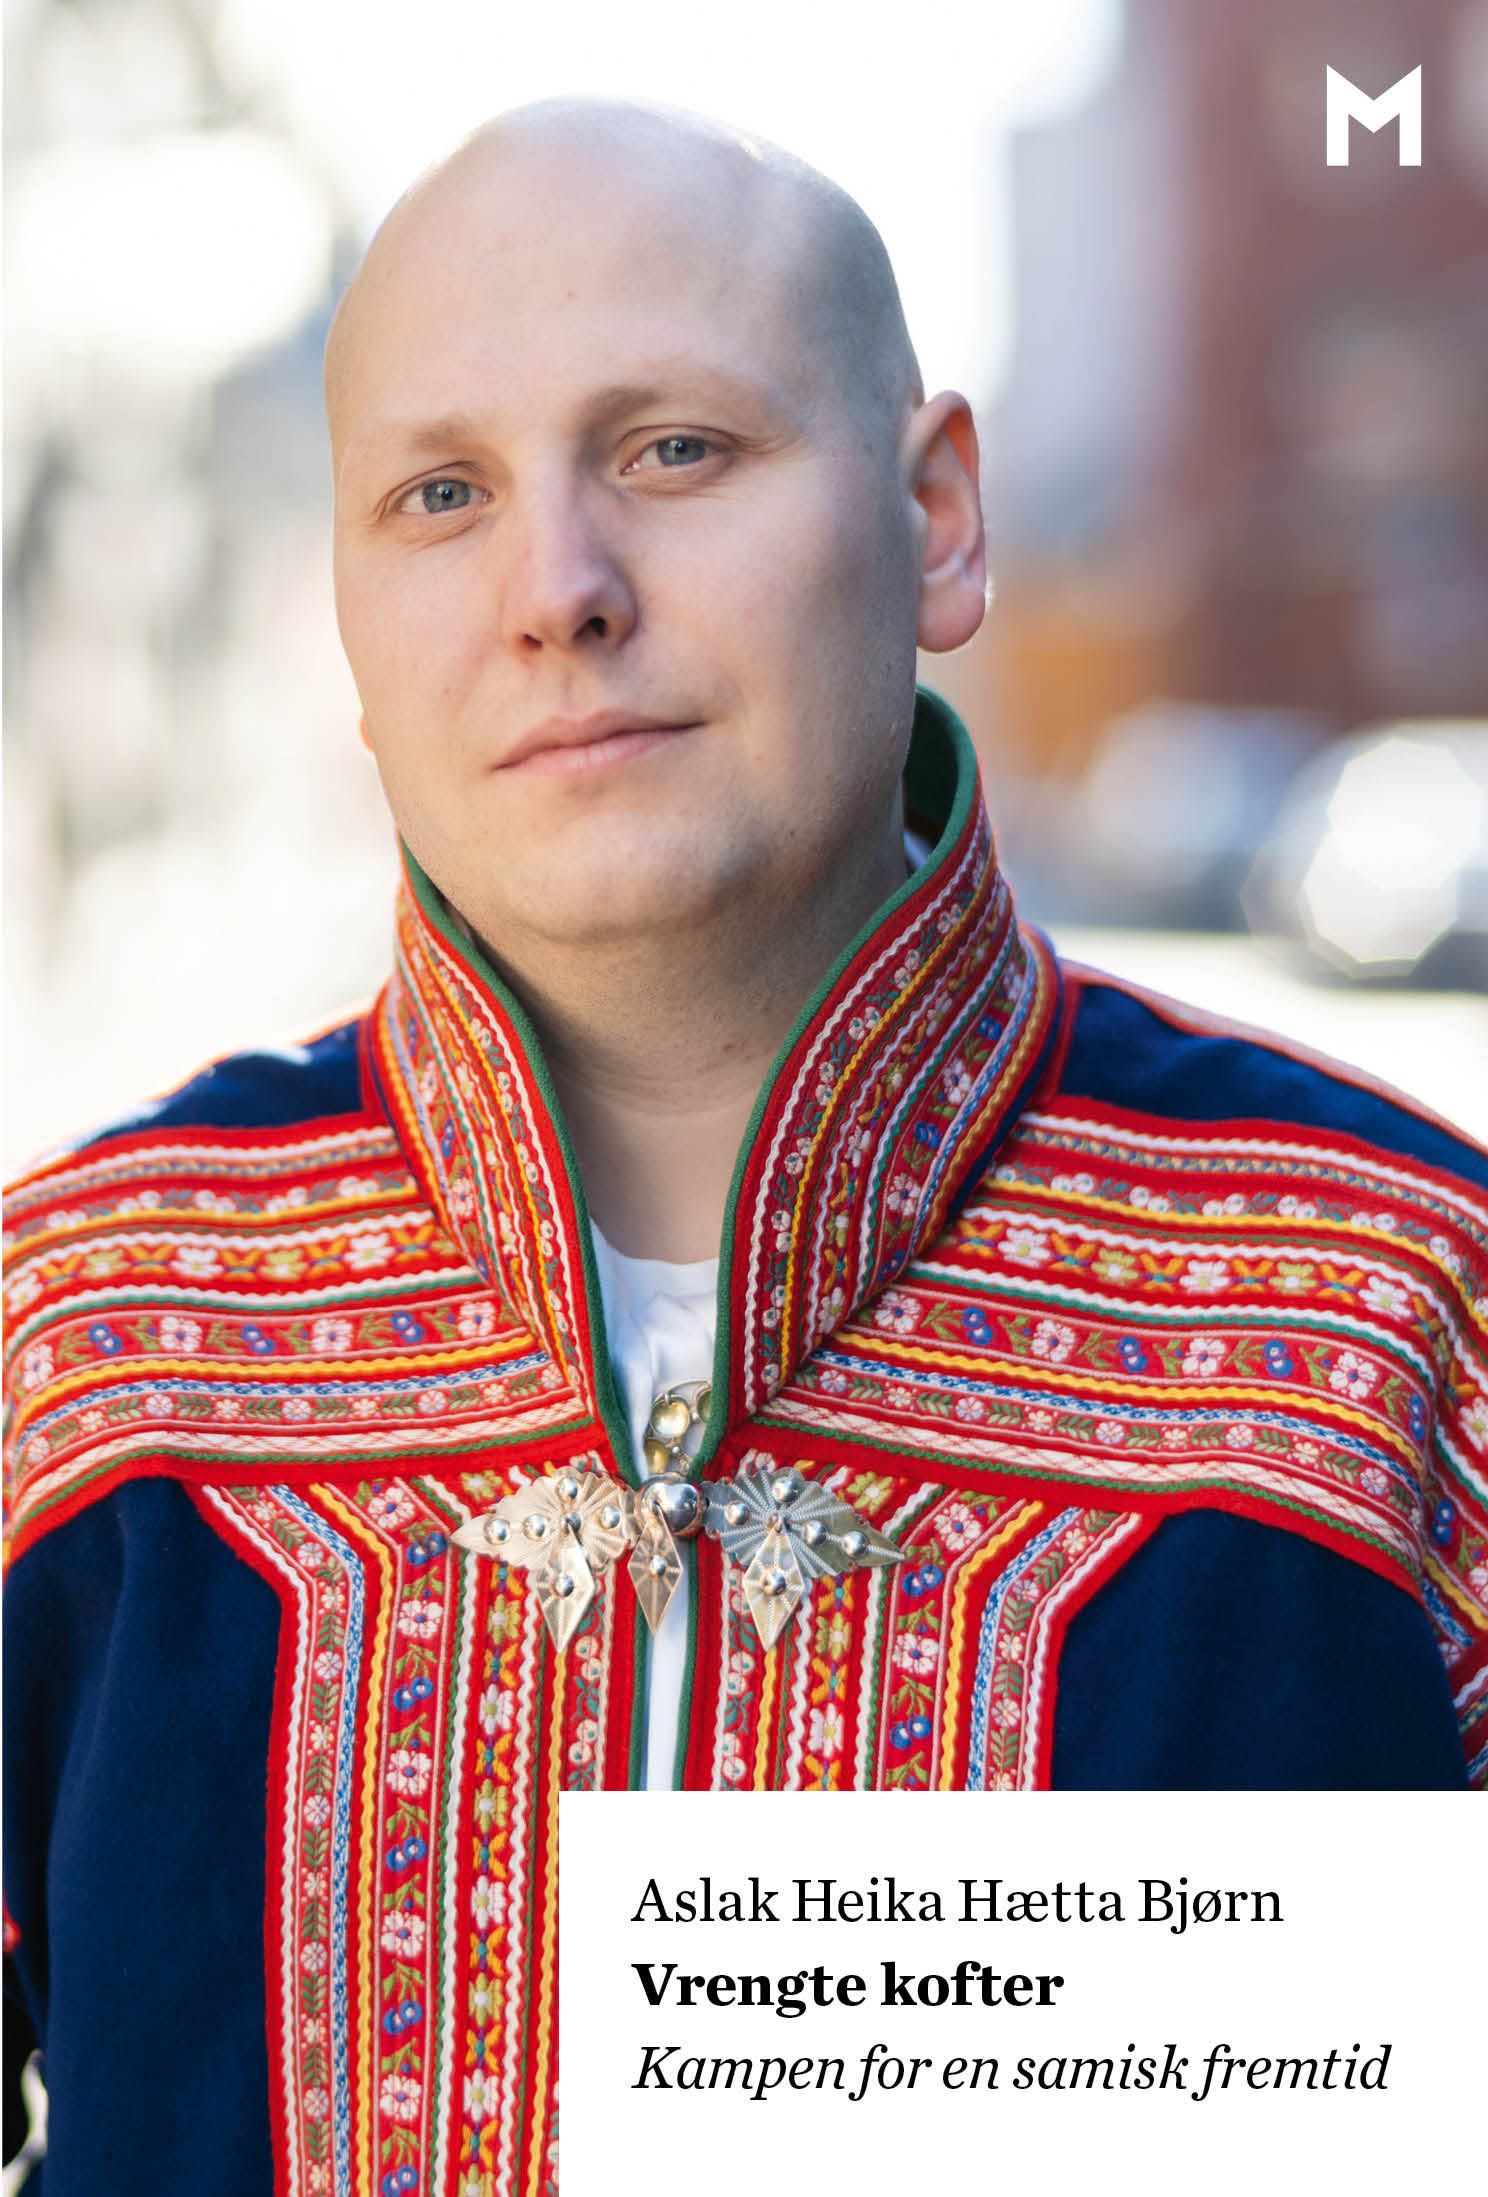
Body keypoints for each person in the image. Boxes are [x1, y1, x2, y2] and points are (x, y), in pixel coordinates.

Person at [4, 96, 1484, 2196]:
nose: (558, 590)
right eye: (440, 494)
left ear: (940, 519)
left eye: (675, 450)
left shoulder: (1395, 1306)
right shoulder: (82, 1335)